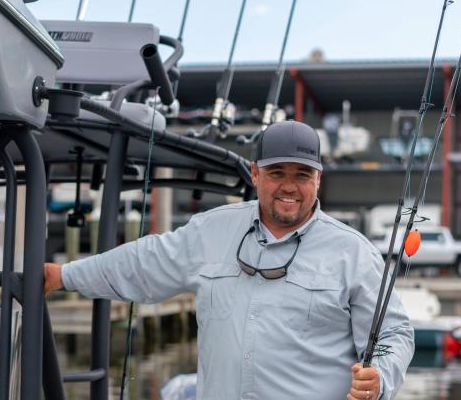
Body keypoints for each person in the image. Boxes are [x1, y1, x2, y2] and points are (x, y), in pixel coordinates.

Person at [44, 120, 414, 400]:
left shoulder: (354, 251)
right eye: (276, 173)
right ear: (255, 173)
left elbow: (394, 334)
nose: (289, 185)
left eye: (302, 174)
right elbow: (143, 263)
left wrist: (380, 376)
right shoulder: (211, 230)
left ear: (318, 179)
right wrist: (63, 275)